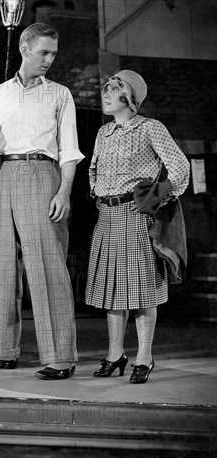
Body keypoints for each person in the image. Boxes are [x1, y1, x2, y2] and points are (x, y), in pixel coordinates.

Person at [0, 23, 82, 380]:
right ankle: (1, 351)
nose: (49, 59)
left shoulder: (59, 94)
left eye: (53, 54)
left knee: (47, 264)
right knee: (4, 267)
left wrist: (63, 192)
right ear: (24, 49)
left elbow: (69, 150)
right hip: (5, 177)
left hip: (43, 173)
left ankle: (59, 357)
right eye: (43, 52)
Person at [86, 70, 189, 384]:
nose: (104, 95)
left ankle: (144, 357)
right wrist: (98, 194)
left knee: (143, 292)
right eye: (104, 89)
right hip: (107, 217)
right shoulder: (103, 132)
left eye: (112, 90)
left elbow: (180, 167)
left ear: (129, 97)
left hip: (135, 217)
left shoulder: (151, 128)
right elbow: (93, 168)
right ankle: (115, 355)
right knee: (111, 291)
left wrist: (156, 199)